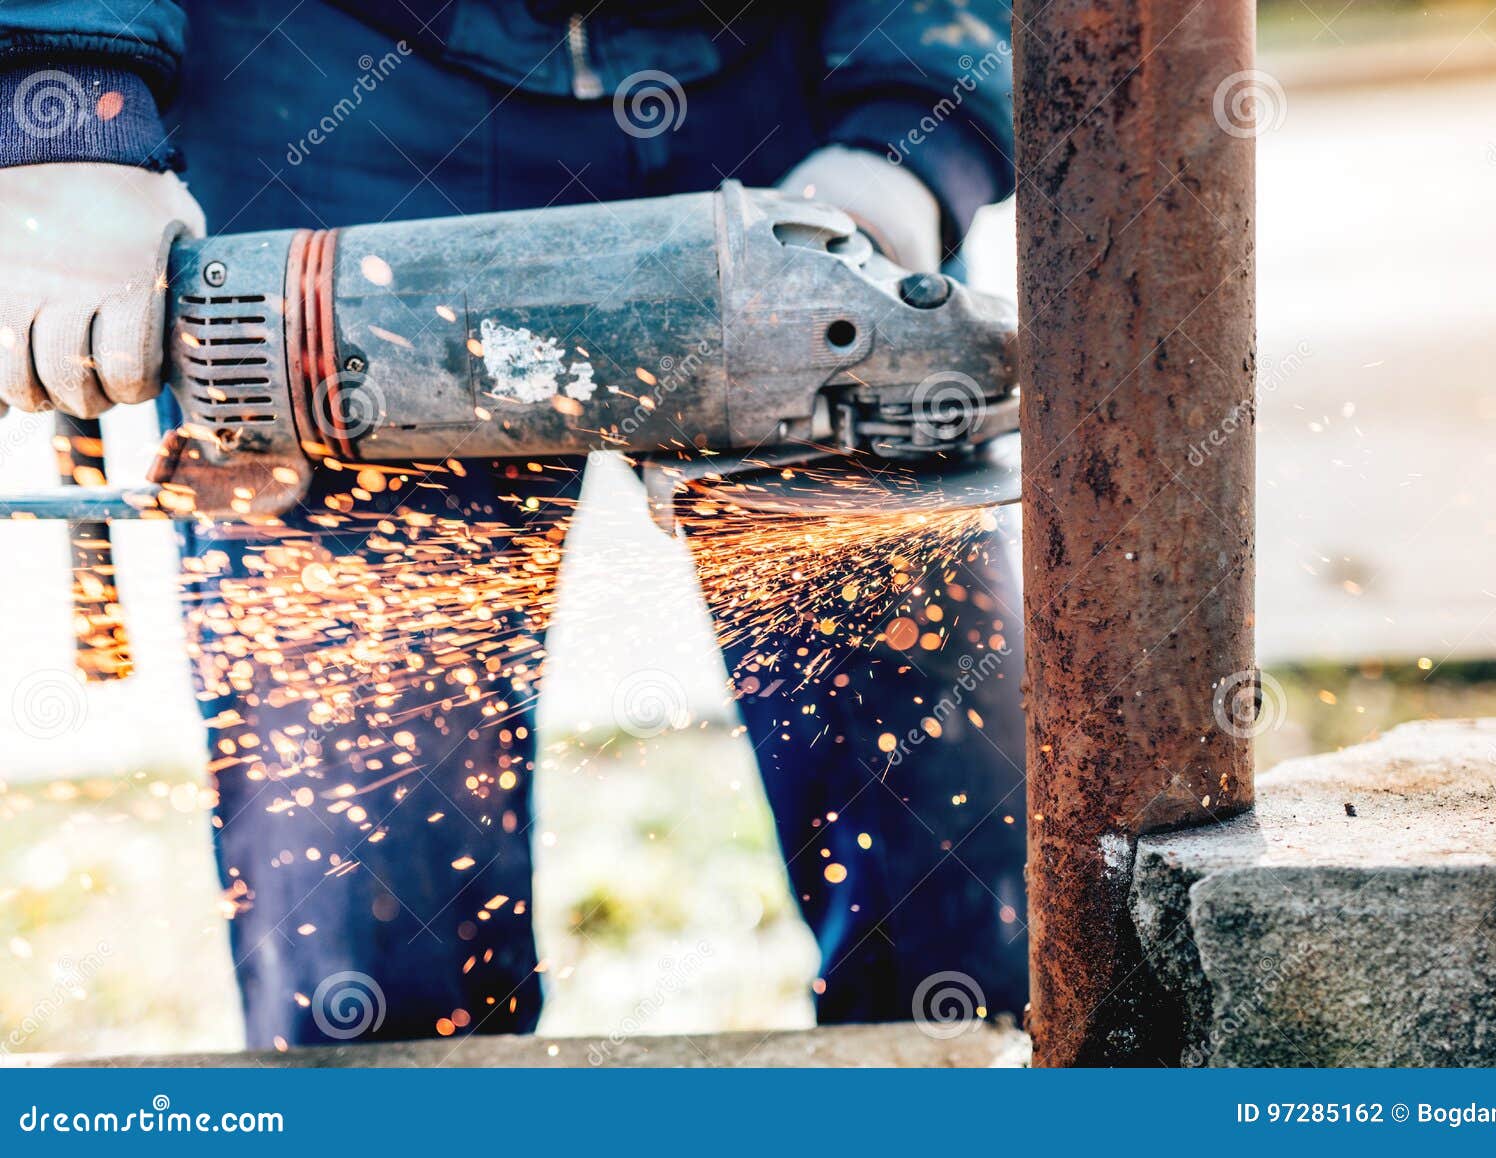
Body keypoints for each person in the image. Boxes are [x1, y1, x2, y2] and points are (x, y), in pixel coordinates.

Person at [0, 1, 1026, 1047]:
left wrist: (909, 140)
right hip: (327, 96)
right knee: (375, 889)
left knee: (954, 845)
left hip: (782, 98)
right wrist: (70, 111)